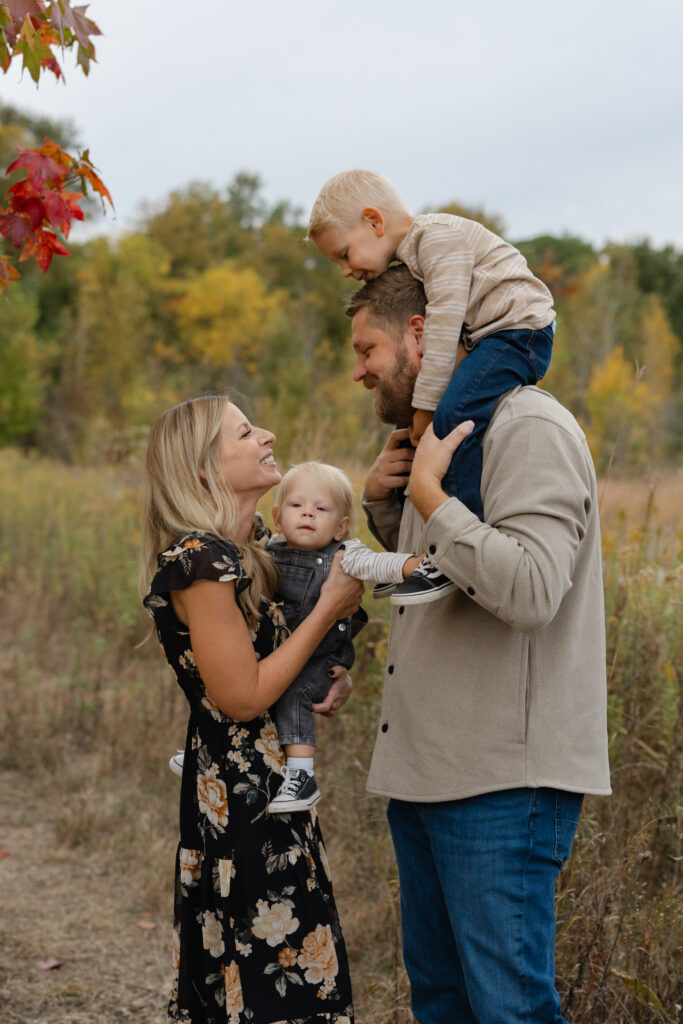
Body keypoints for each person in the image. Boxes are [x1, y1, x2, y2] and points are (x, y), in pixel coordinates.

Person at [345, 265, 611, 1024]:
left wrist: (430, 497)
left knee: (508, 1011)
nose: (359, 369)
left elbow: (529, 589)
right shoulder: (442, 434)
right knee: (444, 1005)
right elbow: (450, 578)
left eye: (366, 348)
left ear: (419, 334)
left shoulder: (526, 425)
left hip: (501, 783)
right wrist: (387, 506)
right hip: (429, 772)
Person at [140, 395, 362, 1024]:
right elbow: (241, 697)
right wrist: (329, 609)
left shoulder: (253, 546)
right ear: (205, 467)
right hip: (243, 800)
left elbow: (277, 655)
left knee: (278, 968)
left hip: (265, 782)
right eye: (244, 432)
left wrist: (328, 671)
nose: (266, 434)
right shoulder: (201, 561)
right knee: (276, 981)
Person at [308, 169, 556, 605]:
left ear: (374, 221)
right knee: (435, 420)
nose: (345, 270)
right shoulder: (417, 253)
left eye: (344, 255)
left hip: (519, 332)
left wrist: (426, 411)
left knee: (453, 418)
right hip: (496, 333)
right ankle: (428, 556)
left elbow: (443, 327)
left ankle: (456, 547)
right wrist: (382, 497)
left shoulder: (437, 240)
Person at [266, 461, 421, 814]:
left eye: (321, 509)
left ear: (340, 527)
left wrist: (411, 565)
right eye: (296, 505)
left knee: (294, 693)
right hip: (281, 653)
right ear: (278, 518)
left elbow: (377, 565)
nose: (307, 512)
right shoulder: (270, 548)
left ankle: (302, 776)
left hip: (320, 662)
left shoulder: (345, 555)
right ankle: (214, 748)